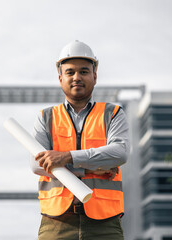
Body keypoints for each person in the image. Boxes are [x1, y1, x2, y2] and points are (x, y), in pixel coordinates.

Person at [31, 40, 130, 240]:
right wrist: (88, 170)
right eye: (70, 72)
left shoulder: (113, 114)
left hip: (105, 223)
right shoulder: (46, 117)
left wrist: (67, 157)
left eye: (84, 71)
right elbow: (37, 164)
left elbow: (120, 152)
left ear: (95, 76)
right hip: (57, 223)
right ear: (60, 78)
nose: (77, 77)